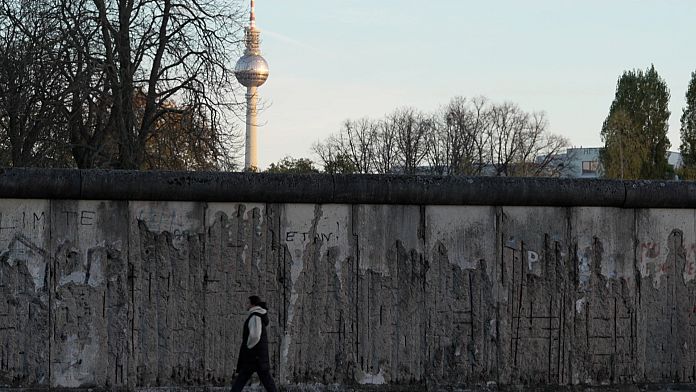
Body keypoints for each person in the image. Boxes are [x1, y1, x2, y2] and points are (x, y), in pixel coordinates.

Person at [231, 295, 278, 392]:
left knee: (242, 379)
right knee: (266, 380)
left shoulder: (255, 316)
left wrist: (248, 347)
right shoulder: (257, 315)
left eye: (248, 303)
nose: (246, 305)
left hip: (254, 356)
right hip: (257, 356)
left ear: (253, 304)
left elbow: (255, 336)